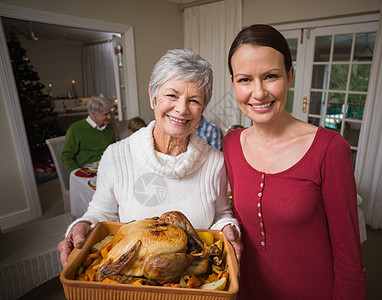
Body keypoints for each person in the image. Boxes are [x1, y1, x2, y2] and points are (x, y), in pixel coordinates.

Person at [58, 48, 243, 268]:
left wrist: (228, 228)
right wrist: (82, 225)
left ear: (203, 107)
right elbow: (100, 213)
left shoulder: (215, 162)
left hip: (194, 281)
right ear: (153, 96)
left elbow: (221, 215)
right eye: (172, 95)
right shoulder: (117, 156)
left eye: (194, 100)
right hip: (131, 276)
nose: (182, 109)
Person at [223, 24, 366, 299]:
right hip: (249, 291)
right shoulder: (231, 144)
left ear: (290, 76)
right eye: (244, 80)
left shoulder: (329, 149)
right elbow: (239, 221)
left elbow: (349, 257)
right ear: (233, 83)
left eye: (271, 76)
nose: (259, 92)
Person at [61, 95, 115, 172]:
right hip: (88, 173)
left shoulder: (109, 126)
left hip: (109, 169)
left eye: (109, 113)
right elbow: (66, 157)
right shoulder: (76, 129)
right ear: (93, 114)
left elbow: (113, 149)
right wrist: (78, 172)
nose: (109, 117)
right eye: (105, 114)